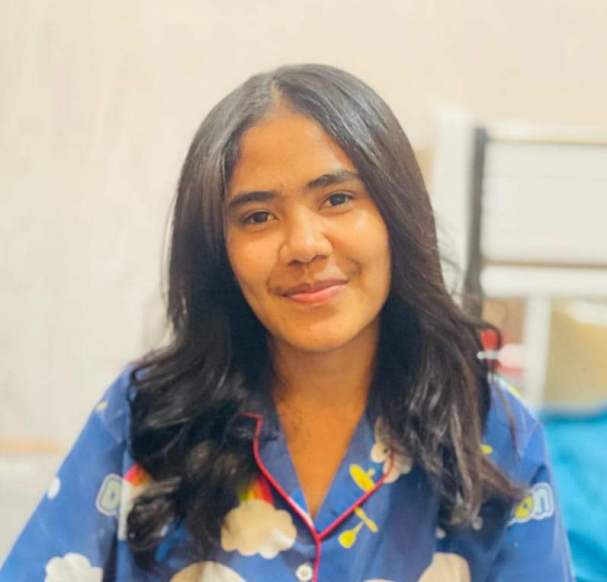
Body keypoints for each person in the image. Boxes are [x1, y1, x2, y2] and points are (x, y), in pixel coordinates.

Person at [1, 64, 574, 581]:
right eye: (258, 216)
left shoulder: (494, 432)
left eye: (337, 199)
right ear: (219, 252)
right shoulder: (144, 415)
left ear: (396, 216)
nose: (303, 245)